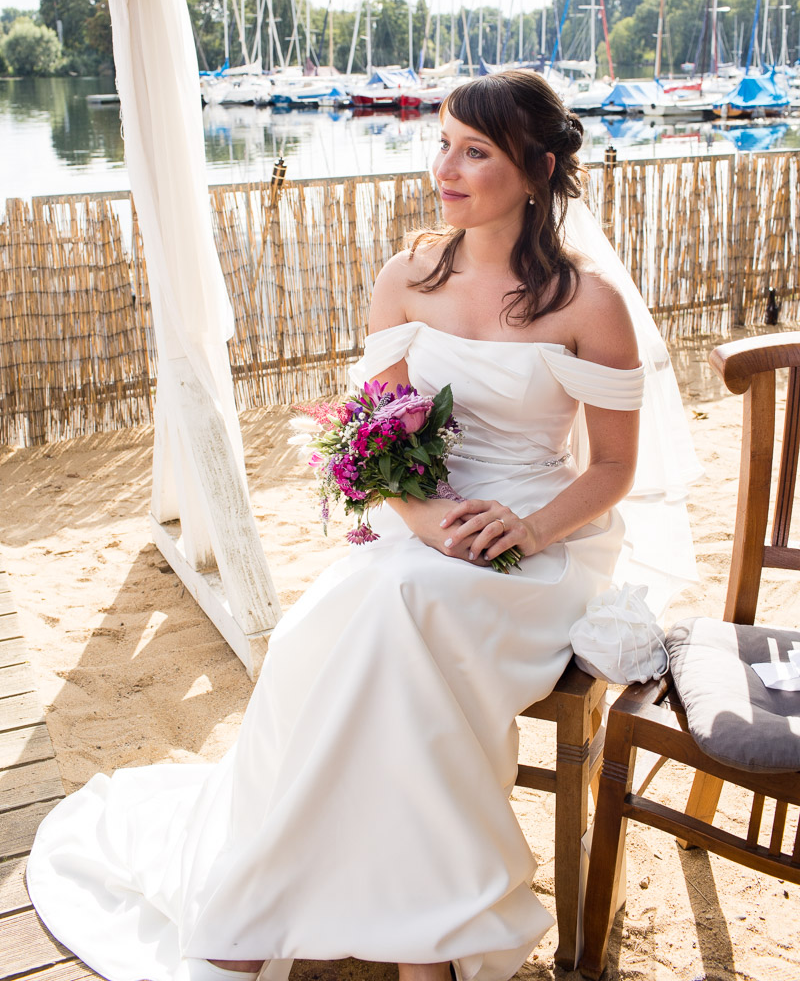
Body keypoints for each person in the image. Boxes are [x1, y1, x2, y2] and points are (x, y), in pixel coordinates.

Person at [27, 70, 683, 981]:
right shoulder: (408, 277)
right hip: (425, 528)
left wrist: (526, 530)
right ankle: (400, 931)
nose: (444, 168)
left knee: (391, 617)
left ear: (535, 169)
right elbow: (372, 435)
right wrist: (421, 514)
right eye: (442, 141)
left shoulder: (587, 304)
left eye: (474, 150)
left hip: (544, 542)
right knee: (328, 629)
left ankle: (396, 926)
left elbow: (614, 469)